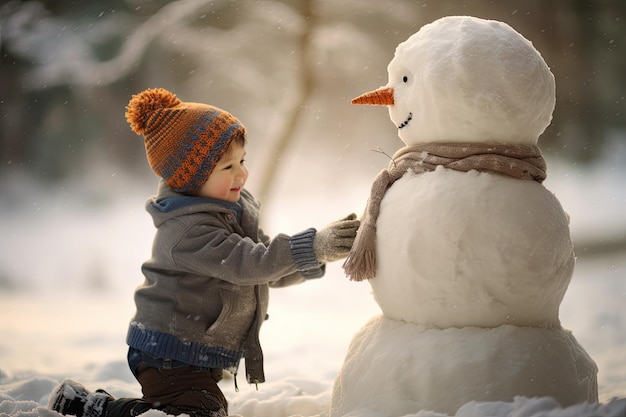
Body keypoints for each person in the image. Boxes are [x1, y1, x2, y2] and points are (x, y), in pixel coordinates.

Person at [47, 87, 359, 417]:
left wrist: (320, 253)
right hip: (168, 351)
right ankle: (92, 409)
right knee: (199, 413)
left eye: (242, 160)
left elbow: (266, 261)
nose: (242, 173)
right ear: (191, 178)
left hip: (196, 348)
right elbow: (251, 265)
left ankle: (96, 407)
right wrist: (312, 246)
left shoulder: (230, 212)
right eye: (227, 167)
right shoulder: (188, 231)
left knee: (193, 409)